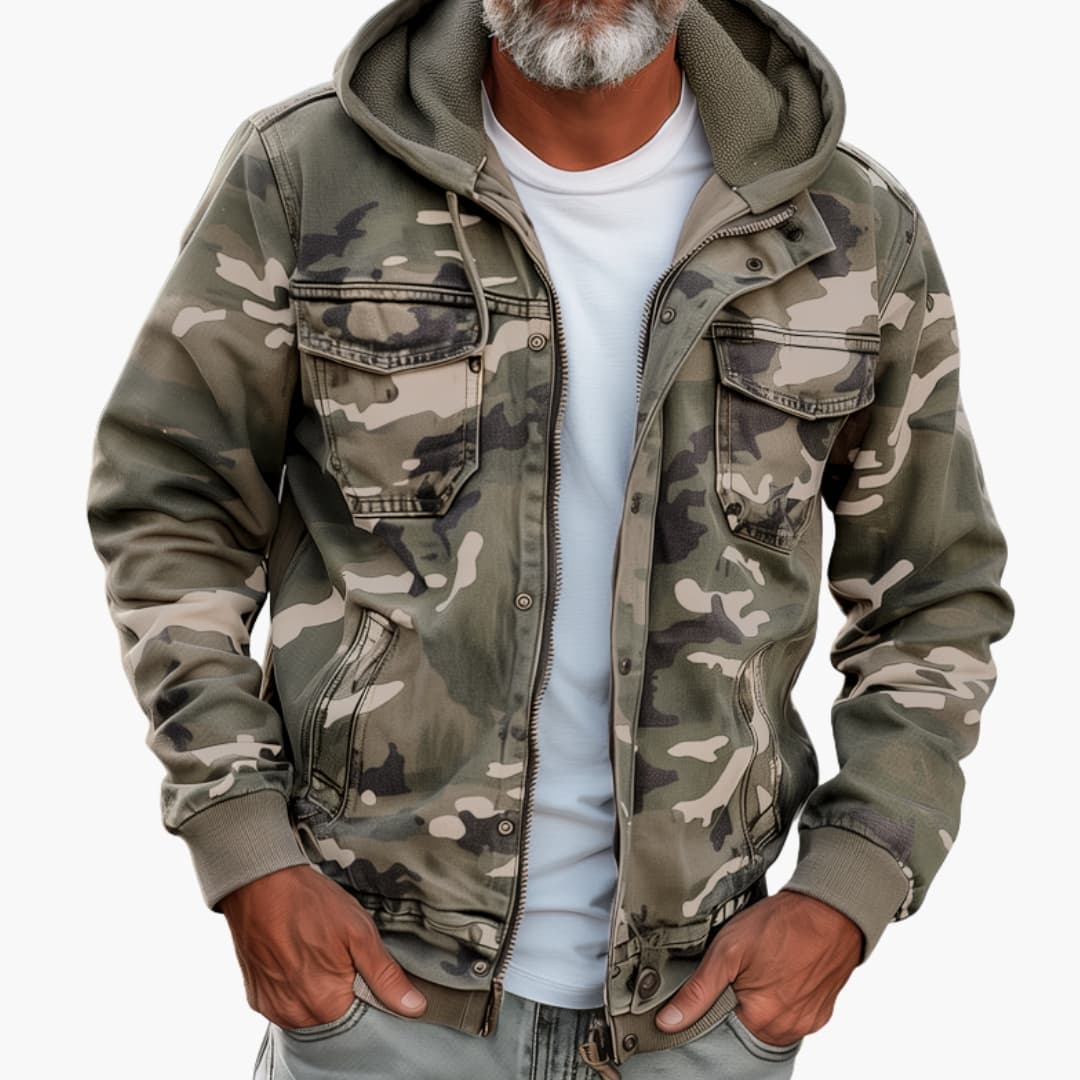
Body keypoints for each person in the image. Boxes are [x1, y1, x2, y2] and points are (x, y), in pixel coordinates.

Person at [85, 0, 1013, 1076]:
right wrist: (244, 847)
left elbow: (934, 592)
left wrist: (850, 888)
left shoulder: (850, 227)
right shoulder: (302, 178)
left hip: (702, 1006)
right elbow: (171, 503)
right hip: (379, 985)